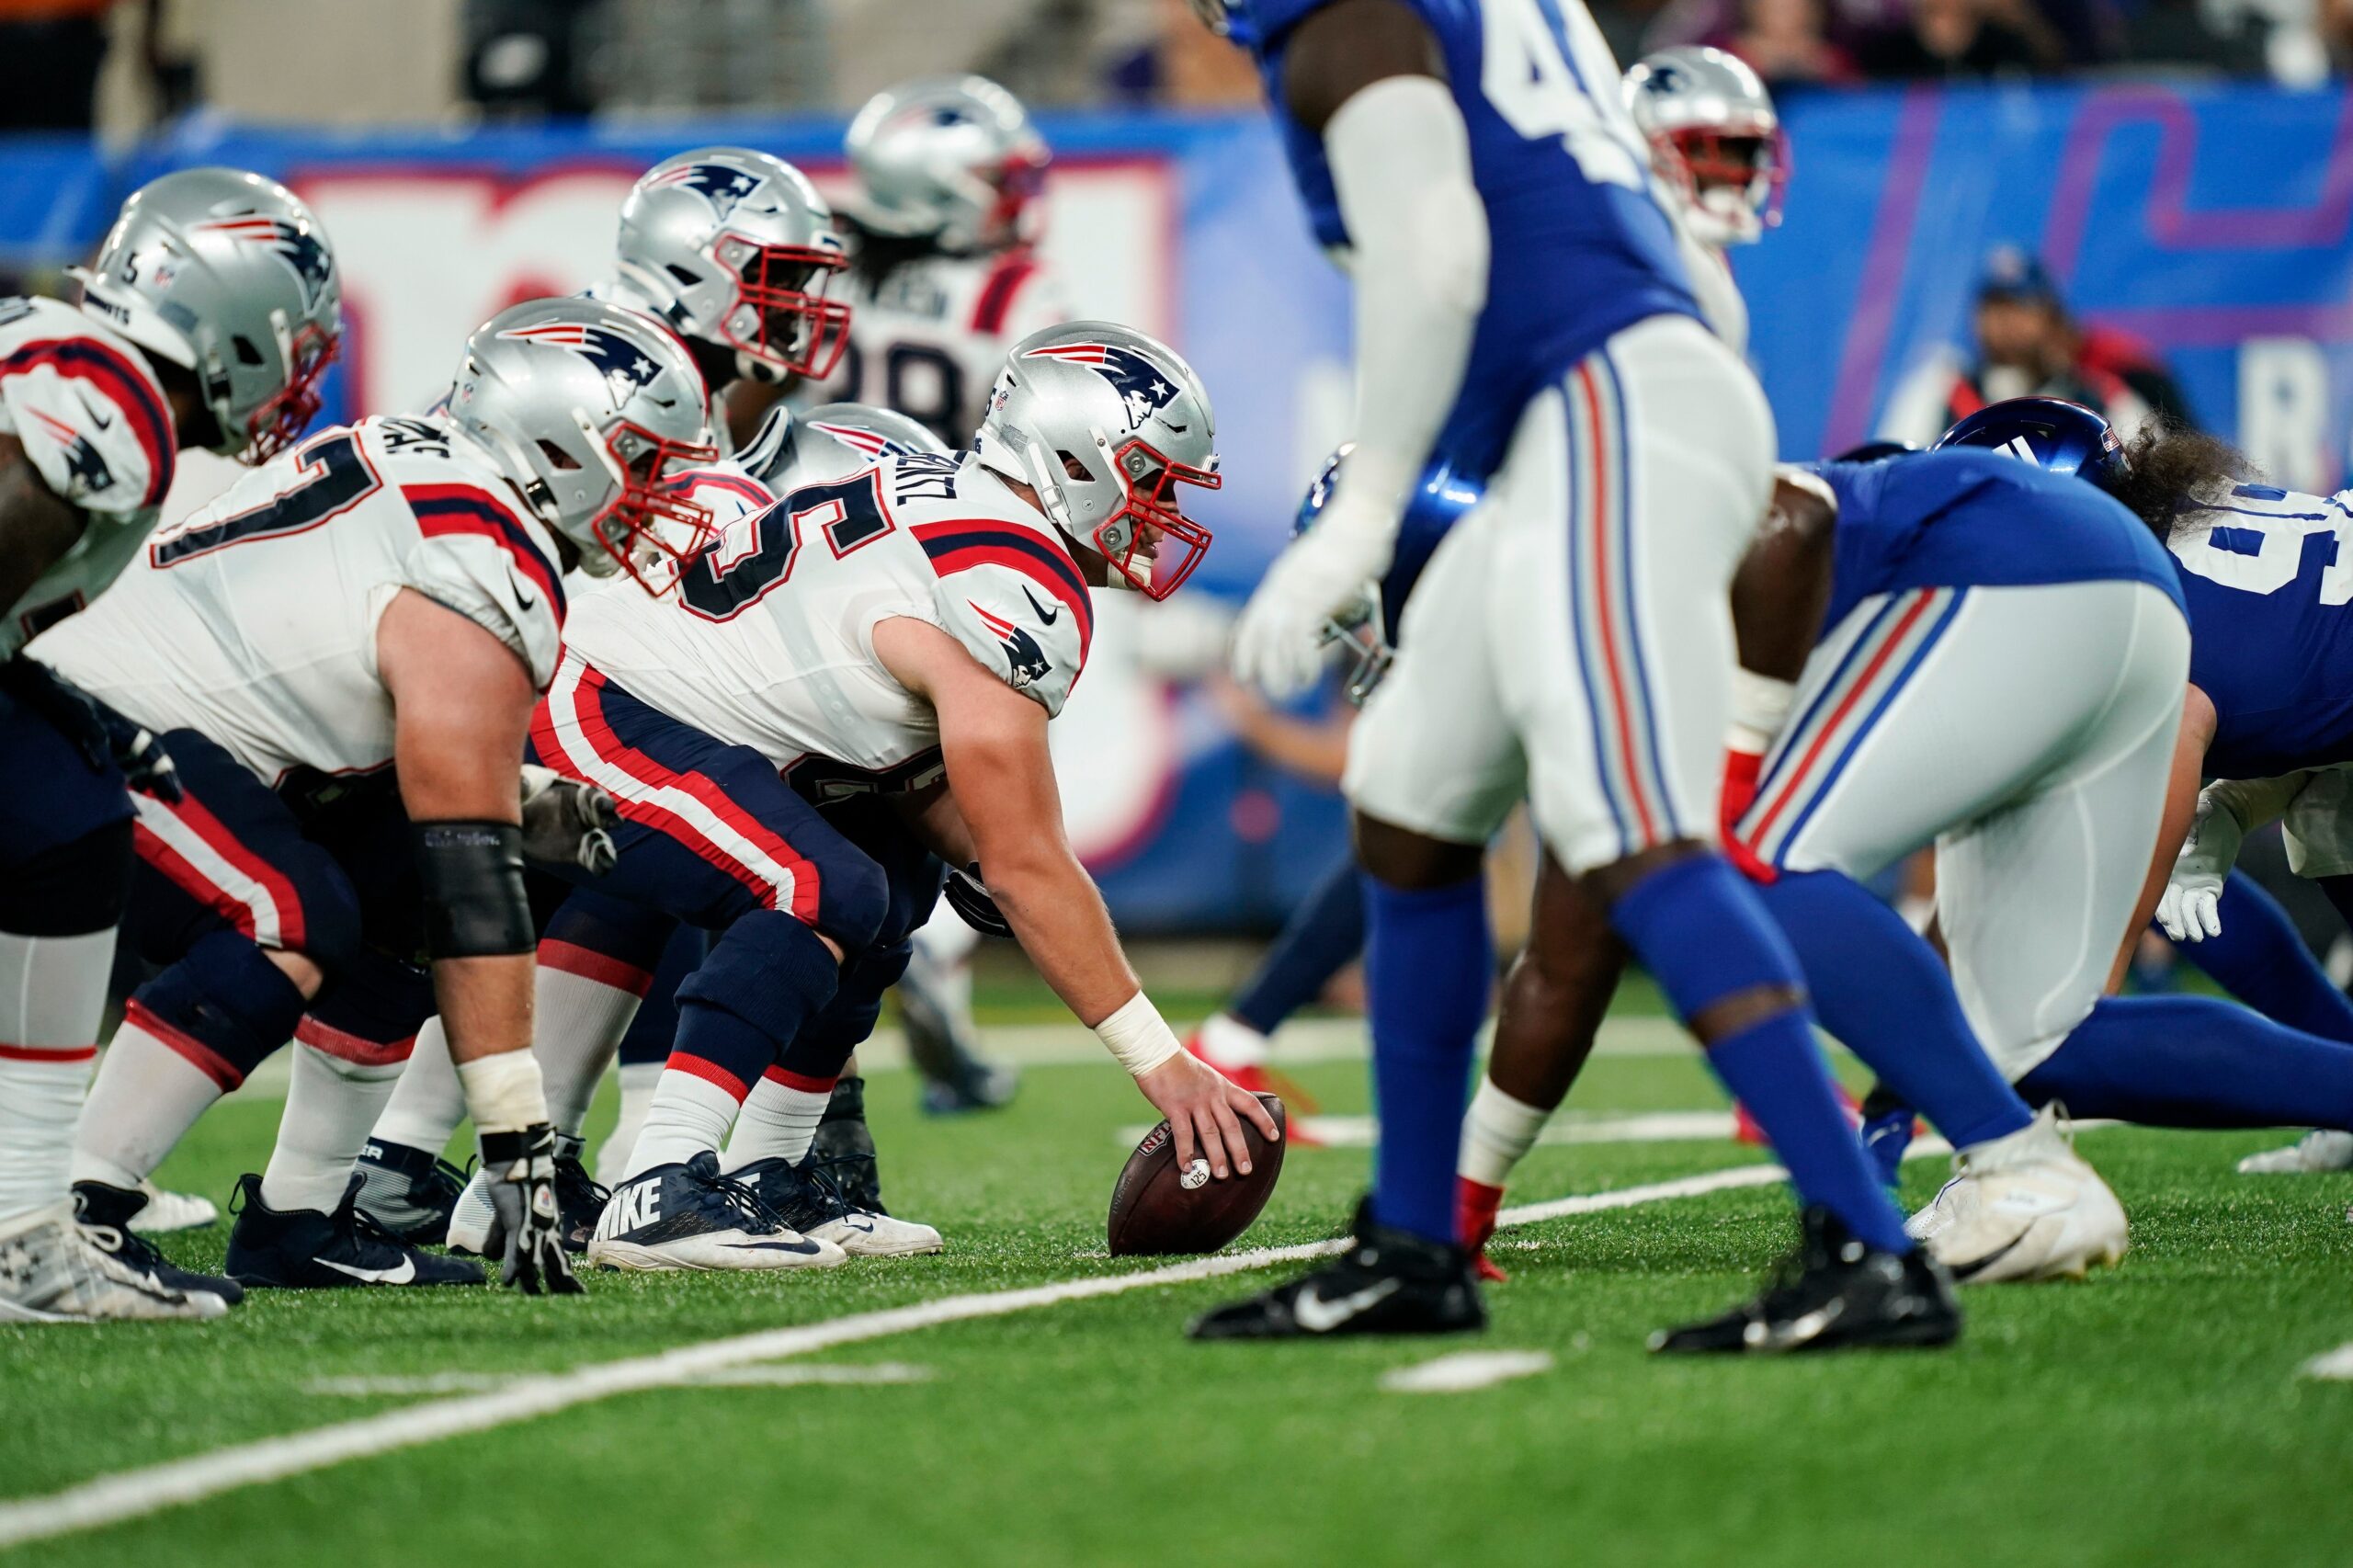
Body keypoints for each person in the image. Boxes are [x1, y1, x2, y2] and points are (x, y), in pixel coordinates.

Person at [1187, 0, 1948, 1353]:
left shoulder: (1350, 24)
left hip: (1599, 414)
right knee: (1412, 796)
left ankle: (1871, 1248)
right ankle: (1418, 1242)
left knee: (1629, 831)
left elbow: (1434, 256)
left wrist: (1365, 518)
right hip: (1606, 412)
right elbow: (1684, 274)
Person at [496, 320, 1272, 1272]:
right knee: (818, 886)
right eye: (1151, 479)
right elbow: (1029, 866)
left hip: (680, 710)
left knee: (891, 878)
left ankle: (771, 1173)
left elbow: (904, 764)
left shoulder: (966, 506)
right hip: (604, 700)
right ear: (1072, 462)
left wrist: (981, 855)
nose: (1161, 511)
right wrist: (1167, 1065)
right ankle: (660, 1181)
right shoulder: (1013, 576)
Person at [36, 296, 722, 1298]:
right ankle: (75, 1203)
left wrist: (512, 804)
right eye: (647, 460)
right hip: (89, 730)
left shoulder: (417, 459)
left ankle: (300, 1215)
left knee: (391, 878)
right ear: (564, 447)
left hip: (147, 721)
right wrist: (517, 1139)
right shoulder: (485, 554)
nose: (661, 496)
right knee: (289, 910)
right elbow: (472, 882)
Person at [1460, 430, 2176, 1284]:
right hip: (2120, 592)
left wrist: (1734, 763)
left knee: (1729, 863)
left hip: (2020, 575)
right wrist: (1464, 1201)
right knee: (2035, 1035)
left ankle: (2020, 1165)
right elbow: (1561, 966)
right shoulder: (1581, 657)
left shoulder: (1573, 562)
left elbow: (1790, 517)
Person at [351, 146, 858, 1234]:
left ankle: (475, 1168)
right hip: (472, 670)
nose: (804, 305)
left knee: (628, 871)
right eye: (777, 275)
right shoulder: (614, 373)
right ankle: (561, 1160)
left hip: (515, 669)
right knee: (733, 858)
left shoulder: (635, 366)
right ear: (694, 271)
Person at [0, 166, 341, 1323]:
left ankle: (27, 1222)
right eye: (292, 341)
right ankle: (24, 1233)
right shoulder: (115, 397)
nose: (296, 372)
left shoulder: (75, 353)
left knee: (71, 805)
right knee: (64, 813)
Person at [808, 75, 1071, 449]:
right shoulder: (1011, 291)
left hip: (827, 494)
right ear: (934, 190)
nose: (1014, 197)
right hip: (947, 502)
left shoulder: (829, 269)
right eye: (997, 180)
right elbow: (1052, 445)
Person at [1880, 246, 2160, 449]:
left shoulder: (2103, 398)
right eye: (1993, 309)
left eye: (2019, 309)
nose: (2005, 323)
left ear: (2050, 317)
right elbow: (1895, 473)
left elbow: (2155, 483)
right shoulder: (1939, 392)